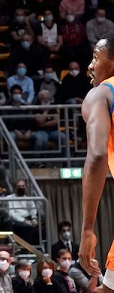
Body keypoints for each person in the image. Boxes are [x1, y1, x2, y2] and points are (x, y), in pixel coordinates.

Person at [78, 37, 114, 290]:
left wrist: (87, 229)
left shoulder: (102, 93)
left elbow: (97, 155)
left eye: (95, 56)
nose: (90, 65)